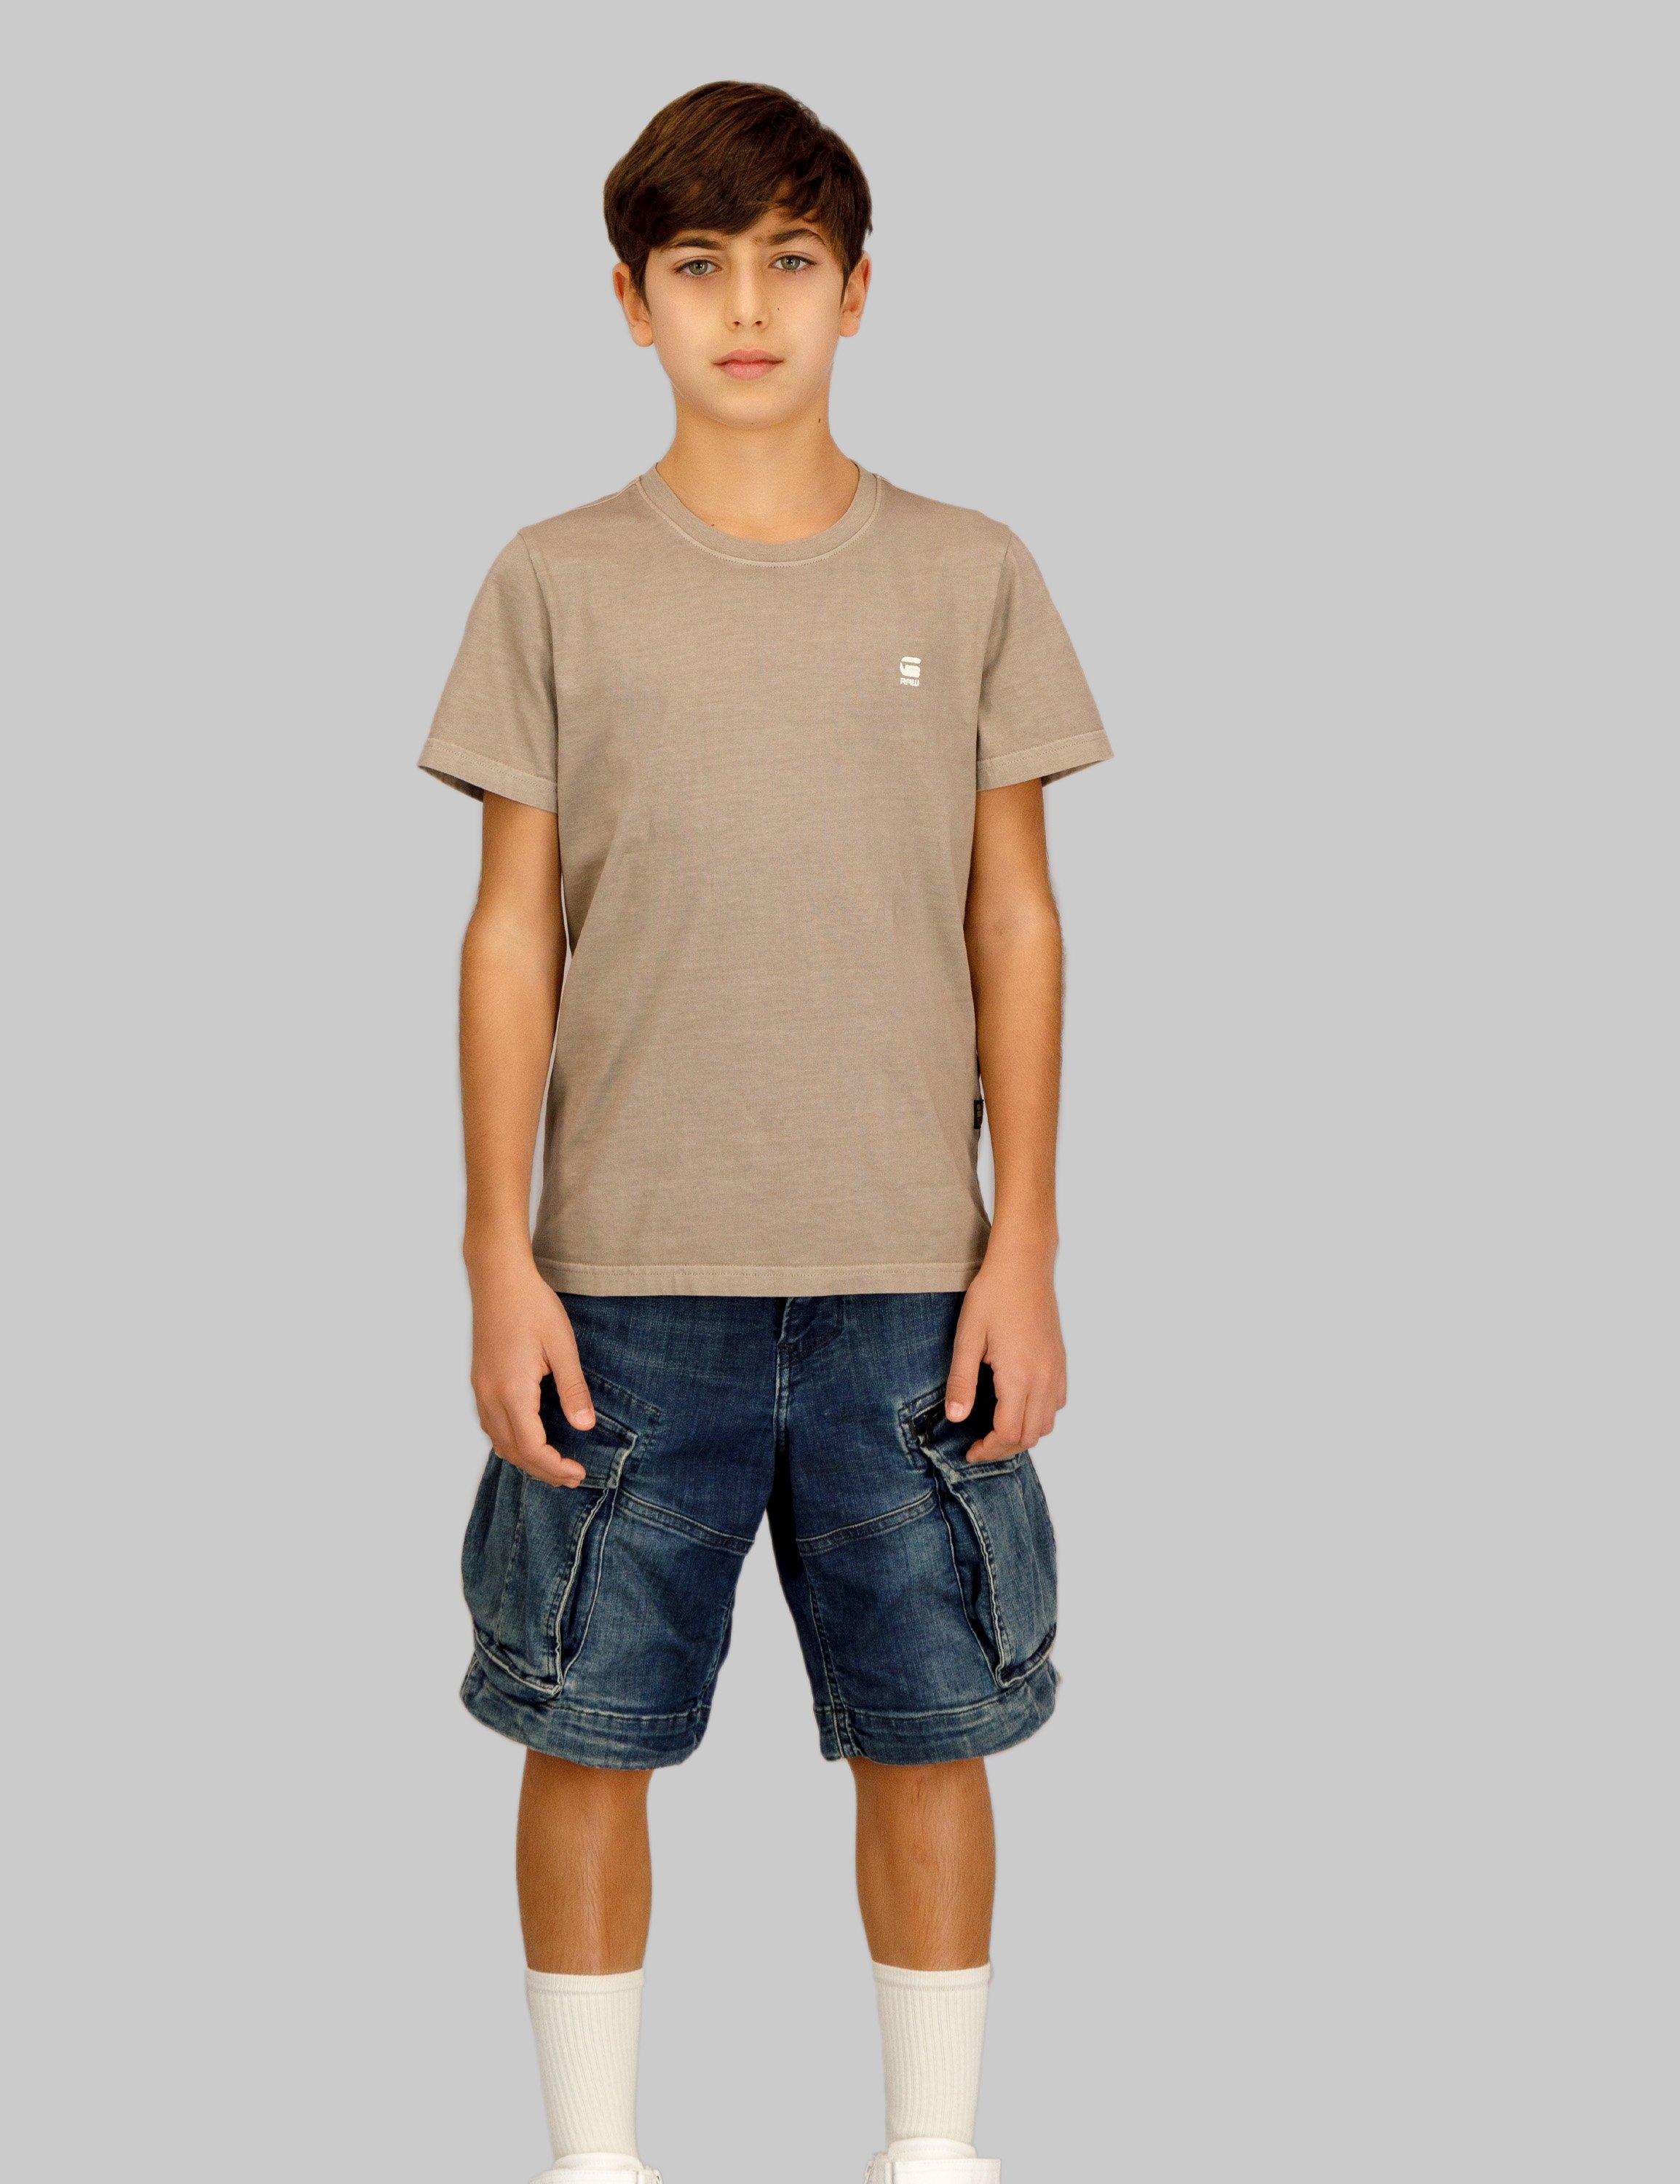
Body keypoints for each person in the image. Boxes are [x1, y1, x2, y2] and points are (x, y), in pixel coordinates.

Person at [416, 80, 1112, 2184]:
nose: (748, 306)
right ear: (630, 302)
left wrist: (1024, 1242)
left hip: (911, 1276)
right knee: (584, 1724)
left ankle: (934, 2152)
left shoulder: (972, 572)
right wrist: (496, 1250)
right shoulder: (554, 581)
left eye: (791, 261)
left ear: (859, 292)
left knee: (933, 1722)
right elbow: (512, 931)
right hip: (625, 1283)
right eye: (699, 264)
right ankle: (594, 2164)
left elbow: (1015, 917)